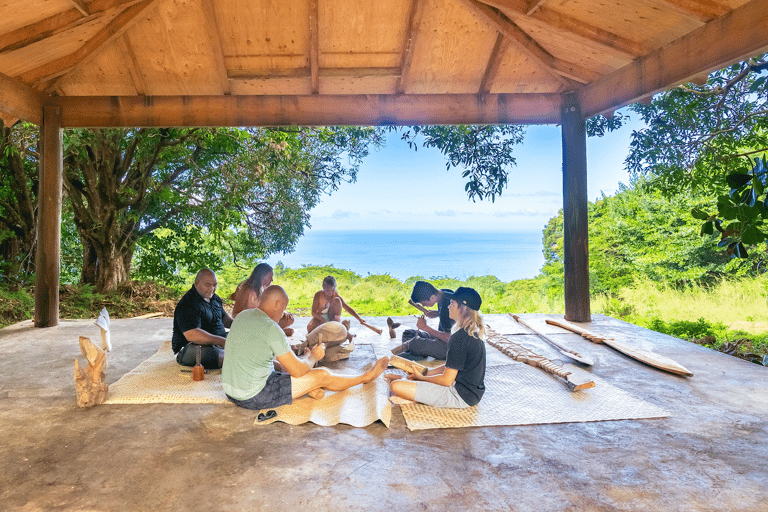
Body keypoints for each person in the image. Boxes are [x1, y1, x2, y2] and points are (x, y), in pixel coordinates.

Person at [222, 285, 389, 411]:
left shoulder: (243, 315)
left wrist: (296, 364)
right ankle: (365, 377)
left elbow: (255, 355)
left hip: (230, 390)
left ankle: (310, 388)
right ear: (277, 304)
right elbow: (298, 371)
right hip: (253, 396)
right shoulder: (271, 328)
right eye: (283, 308)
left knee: (288, 367)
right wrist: (313, 357)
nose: (283, 314)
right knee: (321, 374)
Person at [388, 287, 486, 408]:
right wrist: (426, 372)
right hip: (472, 393)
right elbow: (450, 367)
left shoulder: (459, 338)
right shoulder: (471, 331)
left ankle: (416, 399)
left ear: (462, 309)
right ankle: (416, 391)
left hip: (459, 396)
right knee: (410, 380)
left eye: (452, 304)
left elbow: (446, 380)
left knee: (396, 386)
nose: (448, 306)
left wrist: (423, 378)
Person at [172, 268, 233, 369]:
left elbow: (226, 320)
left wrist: (242, 327)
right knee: (229, 357)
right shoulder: (188, 303)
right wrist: (222, 342)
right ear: (196, 283)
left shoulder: (215, 298)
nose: (212, 289)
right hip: (191, 347)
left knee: (243, 341)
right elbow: (192, 334)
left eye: (214, 285)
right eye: (207, 285)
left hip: (218, 341)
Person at [395, 280, 455, 360]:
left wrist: (425, 327)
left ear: (432, 297)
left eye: (423, 303)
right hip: (443, 337)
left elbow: (450, 339)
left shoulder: (447, 307)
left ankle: (415, 354)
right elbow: (451, 316)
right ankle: (419, 352)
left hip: (455, 348)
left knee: (414, 343)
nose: (423, 305)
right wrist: (437, 313)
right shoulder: (445, 293)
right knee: (408, 333)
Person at [231, 263, 295, 336]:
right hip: (252, 322)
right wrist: (253, 317)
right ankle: (277, 332)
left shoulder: (266, 288)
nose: (272, 279)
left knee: (289, 318)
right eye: (269, 277)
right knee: (264, 323)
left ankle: (274, 331)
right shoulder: (246, 289)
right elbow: (235, 314)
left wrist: (282, 312)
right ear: (261, 277)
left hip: (263, 320)